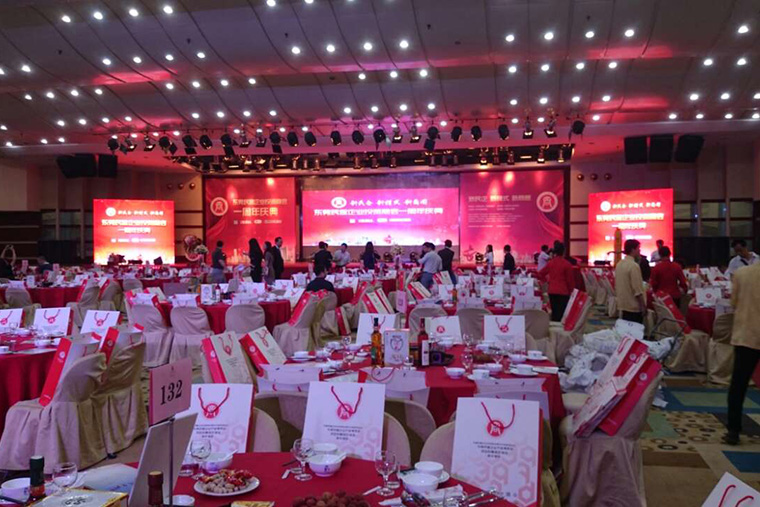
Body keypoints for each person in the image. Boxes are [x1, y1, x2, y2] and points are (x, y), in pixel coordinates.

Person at [724, 261, 760, 445]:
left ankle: (733, 430)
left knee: (738, 386)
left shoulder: (742, 273)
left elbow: (734, 302)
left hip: (746, 334)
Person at [538, 242, 576, 321]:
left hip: (552, 291)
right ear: (564, 251)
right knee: (562, 313)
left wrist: (547, 281)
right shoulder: (567, 264)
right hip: (563, 291)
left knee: (554, 312)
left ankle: (554, 325)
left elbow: (540, 273)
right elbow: (570, 281)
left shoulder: (551, 263)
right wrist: (572, 291)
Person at [615, 239, 646, 323]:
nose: (639, 250)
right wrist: (643, 306)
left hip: (623, 304)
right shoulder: (633, 266)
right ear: (633, 249)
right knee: (635, 329)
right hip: (634, 306)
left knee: (626, 329)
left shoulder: (619, 264)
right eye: (638, 248)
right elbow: (637, 289)